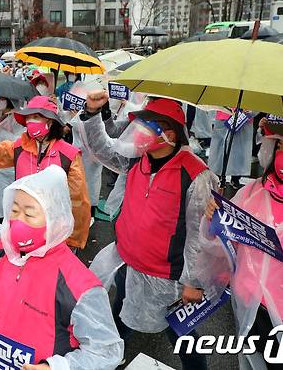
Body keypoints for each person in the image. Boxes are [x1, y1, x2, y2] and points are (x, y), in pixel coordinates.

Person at [0, 150, 124, 369]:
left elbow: (106, 351)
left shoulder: (78, 285)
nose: (18, 221)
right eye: (14, 210)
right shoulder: (3, 249)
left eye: (29, 214)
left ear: (55, 220)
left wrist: (55, 367)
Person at [81, 94, 216, 370]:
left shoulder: (195, 174)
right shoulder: (135, 160)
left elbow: (198, 235)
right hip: (128, 261)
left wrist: (194, 281)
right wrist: (93, 114)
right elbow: (100, 149)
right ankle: (110, 357)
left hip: (167, 276)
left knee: (180, 332)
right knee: (121, 313)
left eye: (148, 125)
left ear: (169, 133)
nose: (139, 132)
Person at [203, 114, 283, 370]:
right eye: (281, 147)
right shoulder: (253, 191)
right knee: (252, 363)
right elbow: (228, 243)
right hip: (247, 301)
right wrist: (217, 218)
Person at [0, 95, 91, 250]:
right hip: (22, 225)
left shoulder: (68, 155)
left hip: (56, 233)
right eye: (28, 117)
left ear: (50, 121)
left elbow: (78, 201)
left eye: (36, 117)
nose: (30, 121)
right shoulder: (19, 147)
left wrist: (73, 241)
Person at [208, 109, 254, 188]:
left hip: (243, 118)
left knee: (240, 150)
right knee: (221, 149)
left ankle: (235, 178)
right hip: (225, 115)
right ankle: (219, 177)